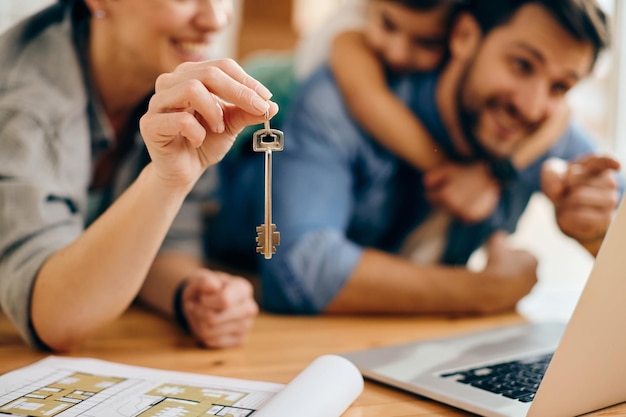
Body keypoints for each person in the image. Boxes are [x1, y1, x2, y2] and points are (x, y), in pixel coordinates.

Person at [249, 0, 622, 314]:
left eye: (561, 86)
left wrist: (596, 234)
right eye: (521, 64)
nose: (533, 105)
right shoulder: (337, 100)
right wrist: (483, 290)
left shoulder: (538, 128)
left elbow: (616, 207)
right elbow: (298, 271)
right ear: (463, 37)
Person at [0, 0, 278, 351]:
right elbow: (54, 317)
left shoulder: (172, 83)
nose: (216, 19)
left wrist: (189, 293)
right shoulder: (21, 103)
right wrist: (166, 181)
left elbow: (167, 245)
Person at [294, 0, 571, 222]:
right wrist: (451, 172)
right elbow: (368, 101)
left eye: (427, 42)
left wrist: (494, 172)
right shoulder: (351, 36)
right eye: (388, 25)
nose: (398, 54)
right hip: (277, 92)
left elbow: (562, 115)